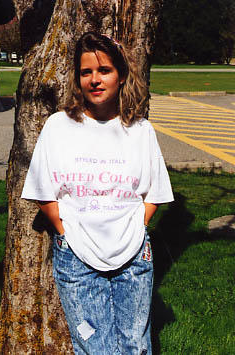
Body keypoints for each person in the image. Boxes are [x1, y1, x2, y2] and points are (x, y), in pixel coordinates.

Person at [21, 32, 174, 355]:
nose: (95, 79)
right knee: (93, 346)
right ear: (77, 79)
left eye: (104, 70)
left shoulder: (139, 130)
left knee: (135, 344)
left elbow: (156, 192)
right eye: (86, 71)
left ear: (120, 75)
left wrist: (135, 228)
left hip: (133, 256)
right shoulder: (58, 126)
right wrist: (64, 231)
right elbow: (40, 188)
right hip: (76, 255)